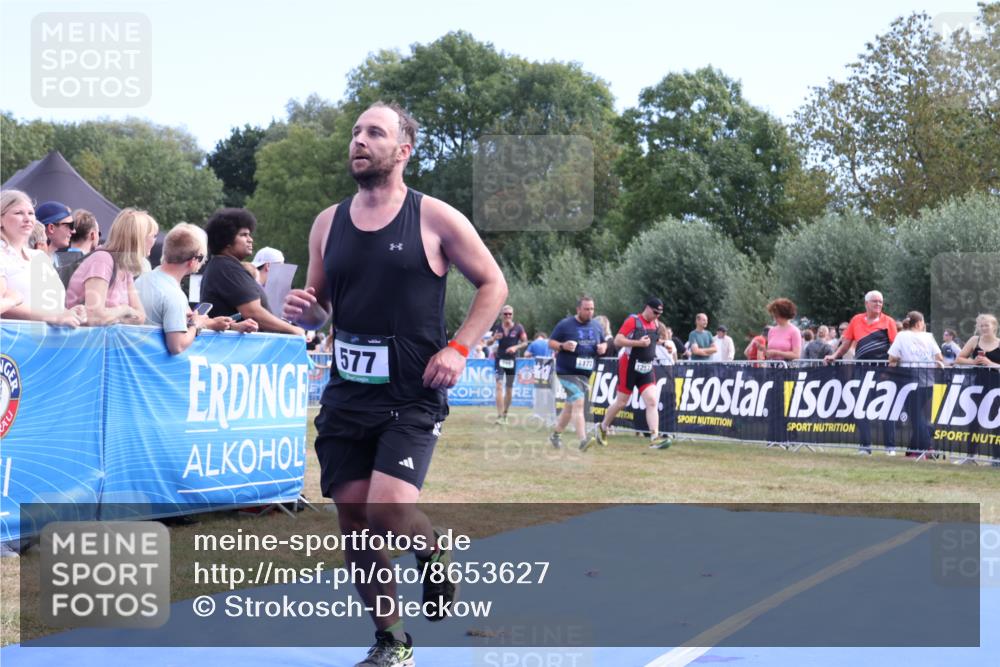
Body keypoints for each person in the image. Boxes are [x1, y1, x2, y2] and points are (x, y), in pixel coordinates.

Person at [281, 102, 507, 666]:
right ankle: (392, 640)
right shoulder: (327, 222)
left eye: (374, 133)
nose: (359, 140)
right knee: (356, 522)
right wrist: (307, 311)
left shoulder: (435, 218)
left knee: (387, 516)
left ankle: (431, 553)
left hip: (411, 392)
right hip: (347, 393)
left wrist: (459, 348)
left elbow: (493, 285)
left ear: (403, 151)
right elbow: (322, 309)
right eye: (356, 132)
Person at [136, 223, 257, 354]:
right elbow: (177, 346)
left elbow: (186, 320)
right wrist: (196, 325)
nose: (203, 262)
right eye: (202, 258)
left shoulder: (144, 279)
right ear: (193, 260)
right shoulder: (173, 295)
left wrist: (229, 326)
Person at [201, 208, 303, 335]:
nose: (250, 239)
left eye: (249, 234)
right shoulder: (227, 268)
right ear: (226, 240)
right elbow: (253, 312)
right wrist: (294, 330)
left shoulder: (223, 265)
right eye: (243, 235)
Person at [825, 290, 898, 455]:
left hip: (883, 371)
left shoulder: (889, 321)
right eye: (875, 301)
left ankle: (890, 447)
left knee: (886, 408)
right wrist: (835, 355)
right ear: (866, 304)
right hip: (861, 370)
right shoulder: (856, 320)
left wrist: (890, 368)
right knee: (861, 407)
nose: (878, 304)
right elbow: (846, 343)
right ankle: (865, 446)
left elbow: (895, 347)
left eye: (880, 301)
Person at [0, 190, 85, 327]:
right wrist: (53, 317)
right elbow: (4, 306)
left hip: (50, 343)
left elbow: (50, 304)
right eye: (18, 213)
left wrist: (67, 313)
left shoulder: (39, 256)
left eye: (31, 213)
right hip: (14, 344)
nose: (27, 218)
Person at [595, 298, 671, 450]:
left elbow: (652, 340)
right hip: (629, 366)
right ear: (647, 308)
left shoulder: (655, 324)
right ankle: (602, 427)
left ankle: (654, 437)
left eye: (660, 314)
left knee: (652, 401)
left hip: (646, 368)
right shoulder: (633, 321)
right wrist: (638, 343)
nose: (657, 316)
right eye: (655, 312)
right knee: (621, 402)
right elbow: (617, 340)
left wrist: (664, 344)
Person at [65, 207, 156, 326]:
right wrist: (124, 310)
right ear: (139, 238)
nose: (155, 240)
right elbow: (95, 317)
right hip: (82, 342)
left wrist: (113, 316)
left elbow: (141, 317)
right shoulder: (102, 260)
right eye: (153, 235)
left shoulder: (124, 266)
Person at [548, 296, 607, 450]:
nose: (590, 312)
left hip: (585, 374)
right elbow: (551, 343)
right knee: (579, 402)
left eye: (592, 309)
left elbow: (604, 342)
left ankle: (556, 434)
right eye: (587, 309)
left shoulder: (596, 326)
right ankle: (583, 440)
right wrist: (562, 346)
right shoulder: (565, 325)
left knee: (569, 407)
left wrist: (603, 347)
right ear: (578, 309)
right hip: (566, 371)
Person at [887, 311, 943, 457]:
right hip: (928, 380)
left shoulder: (901, 335)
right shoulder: (928, 336)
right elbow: (939, 357)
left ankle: (928, 446)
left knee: (915, 416)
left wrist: (901, 360)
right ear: (919, 323)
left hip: (908, 380)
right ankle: (913, 450)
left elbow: (892, 358)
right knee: (917, 415)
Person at [489, 305, 527, 424]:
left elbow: (525, 342)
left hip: (511, 360)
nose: (508, 316)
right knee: (499, 385)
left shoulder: (518, 328)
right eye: (505, 314)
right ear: (501, 315)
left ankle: (505, 413)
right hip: (499, 359)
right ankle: (500, 415)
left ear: (512, 315)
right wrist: (494, 338)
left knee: (509, 388)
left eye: (510, 314)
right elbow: (488, 342)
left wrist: (515, 347)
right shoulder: (497, 327)